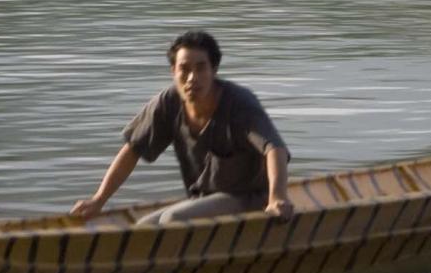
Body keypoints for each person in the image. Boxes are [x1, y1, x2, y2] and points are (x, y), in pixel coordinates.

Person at [70, 30, 293, 226]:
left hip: (250, 198)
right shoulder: (169, 102)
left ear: (214, 70)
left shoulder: (239, 103)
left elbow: (274, 149)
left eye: (201, 68)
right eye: (184, 69)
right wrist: (98, 200)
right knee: (143, 228)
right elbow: (133, 150)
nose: (192, 78)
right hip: (203, 200)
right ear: (173, 72)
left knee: (172, 221)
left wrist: (277, 198)